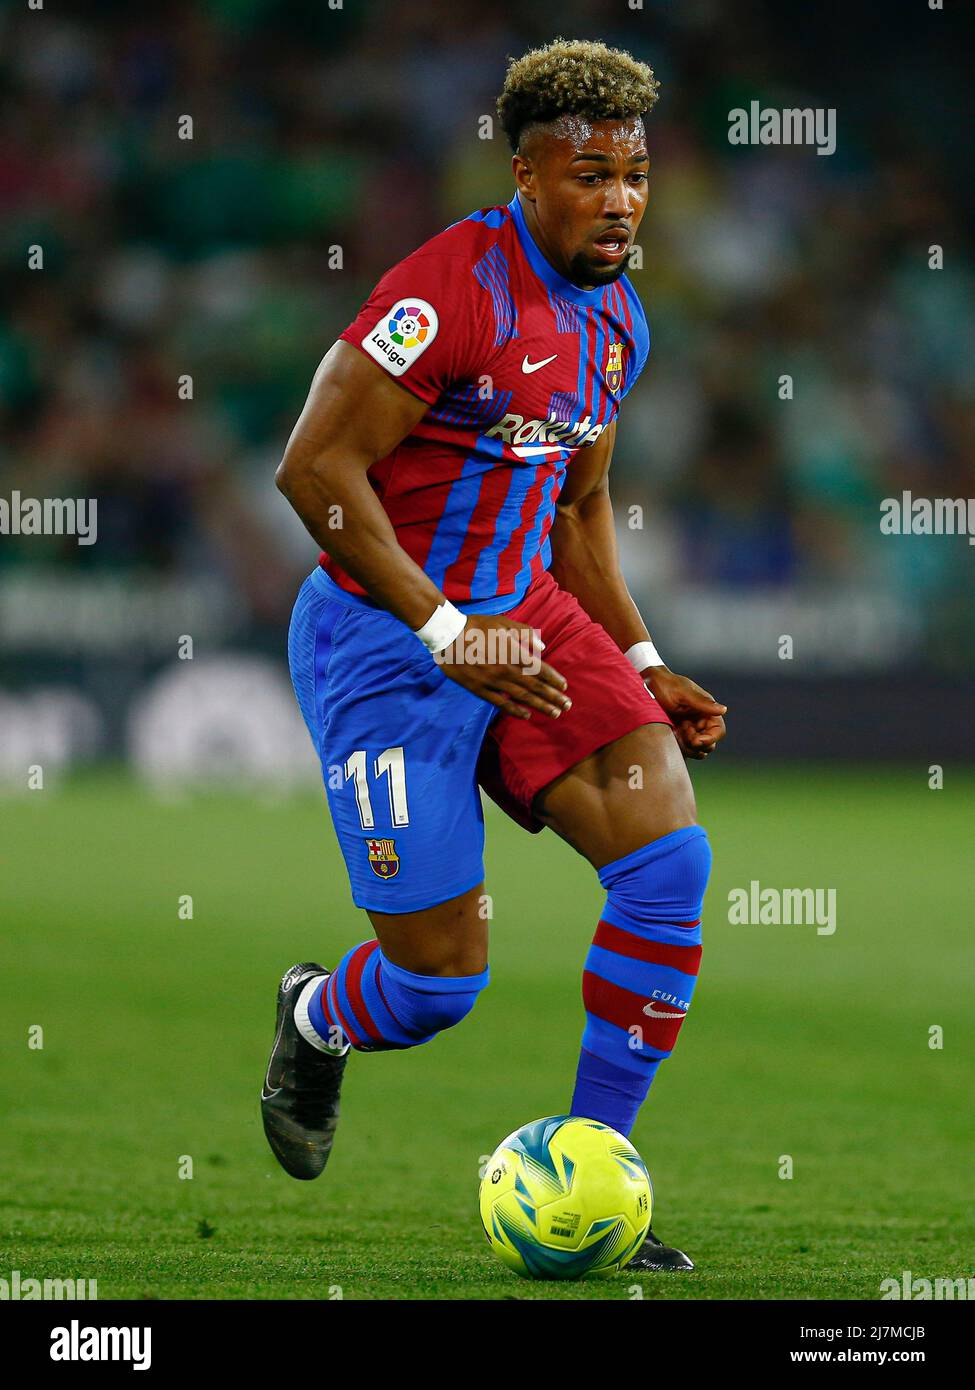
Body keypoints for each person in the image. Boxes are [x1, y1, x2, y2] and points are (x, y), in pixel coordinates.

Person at [263, 38, 726, 1272]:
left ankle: (591, 1174)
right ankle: (317, 1017)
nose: (620, 200)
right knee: (434, 984)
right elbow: (314, 471)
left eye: (634, 173)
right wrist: (444, 629)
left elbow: (580, 506)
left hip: (527, 616)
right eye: (589, 175)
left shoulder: (617, 313)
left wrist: (640, 651)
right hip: (386, 635)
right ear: (524, 173)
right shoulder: (451, 288)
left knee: (669, 859)